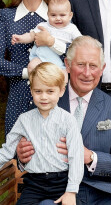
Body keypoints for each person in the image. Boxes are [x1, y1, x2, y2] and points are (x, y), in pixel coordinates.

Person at [17, 36, 111, 205]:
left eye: (93, 66)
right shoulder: (45, 100)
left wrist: (90, 157)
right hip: (55, 191)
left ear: (102, 68)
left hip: (101, 191)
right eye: (81, 65)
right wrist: (22, 156)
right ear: (67, 65)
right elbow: (27, 154)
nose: (87, 73)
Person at [0, 0, 67, 135]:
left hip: (54, 101)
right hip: (18, 100)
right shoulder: (5, 17)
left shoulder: (59, 16)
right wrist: (26, 72)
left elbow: (71, 56)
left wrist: (51, 42)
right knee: (16, 158)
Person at [0, 62, 84, 205]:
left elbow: (76, 156)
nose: (44, 97)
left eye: (50, 91)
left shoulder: (68, 120)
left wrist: (71, 191)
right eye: (38, 91)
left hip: (61, 183)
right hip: (34, 184)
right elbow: (7, 150)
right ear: (31, 90)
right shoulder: (24, 120)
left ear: (61, 91)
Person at [12, 0, 81, 80]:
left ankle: (57, 91)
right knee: (32, 66)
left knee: (64, 78)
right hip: (40, 58)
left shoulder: (72, 29)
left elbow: (80, 42)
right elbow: (31, 35)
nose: (58, 18)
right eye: (53, 15)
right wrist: (21, 38)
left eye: (62, 15)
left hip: (60, 62)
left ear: (70, 15)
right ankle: (37, 87)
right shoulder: (43, 26)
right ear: (48, 15)